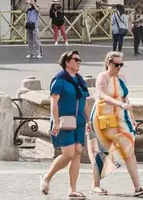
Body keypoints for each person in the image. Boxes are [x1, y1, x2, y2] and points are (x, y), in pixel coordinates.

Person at [91, 50, 143, 196]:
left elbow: (125, 99)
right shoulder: (102, 77)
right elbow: (102, 95)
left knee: (128, 148)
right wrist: (119, 104)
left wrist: (132, 117)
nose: (119, 67)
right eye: (116, 65)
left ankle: (137, 187)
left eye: (121, 64)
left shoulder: (121, 77)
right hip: (104, 117)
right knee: (104, 151)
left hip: (122, 118)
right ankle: (95, 184)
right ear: (108, 63)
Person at [41, 50, 92, 199]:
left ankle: (72, 189)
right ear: (66, 62)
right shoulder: (59, 79)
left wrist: (88, 120)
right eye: (75, 59)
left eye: (79, 60)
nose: (78, 62)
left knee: (77, 152)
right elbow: (54, 102)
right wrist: (56, 122)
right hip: (65, 121)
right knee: (68, 153)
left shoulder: (81, 80)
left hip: (79, 122)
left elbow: (84, 103)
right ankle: (47, 177)